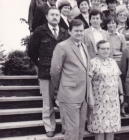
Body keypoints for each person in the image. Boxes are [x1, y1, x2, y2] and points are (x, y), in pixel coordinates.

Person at [28, 7, 70, 137]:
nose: (55, 17)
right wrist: (40, 64)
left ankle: (65, 126)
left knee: (64, 100)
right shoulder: (39, 31)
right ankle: (50, 127)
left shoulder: (65, 32)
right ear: (47, 17)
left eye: (57, 15)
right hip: (45, 72)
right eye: (52, 15)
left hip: (63, 73)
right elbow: (32, 51)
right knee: (48, 101)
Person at [50, 19, 93, 140]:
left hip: (83, 95)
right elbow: (54, 72)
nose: (79, 33)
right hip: (69, 95)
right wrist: (63, 87)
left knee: (80, 131)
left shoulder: (84, 46)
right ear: (69, 31)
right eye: (76, 31)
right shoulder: (62, 46)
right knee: (71, 131)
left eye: (81, 31)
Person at [87, 40, 124, 140]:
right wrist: (90, 98)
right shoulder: (92, 62)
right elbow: (88, 82)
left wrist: (121, 93)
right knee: (100, 128)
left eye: (108, 48)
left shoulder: (113, 62)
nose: (106, 51)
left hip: (113, 101)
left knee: (111, 127)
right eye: (103, 48)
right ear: (97, 50)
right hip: (99, 101)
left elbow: (118, 78)